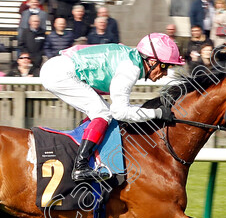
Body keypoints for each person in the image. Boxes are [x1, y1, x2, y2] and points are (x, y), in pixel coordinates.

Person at [41, 33, 184, 182]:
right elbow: (120, 112)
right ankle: (80, 166)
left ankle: (86, 154)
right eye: (164, 66)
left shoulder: (130, 59)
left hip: (59, 69)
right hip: (60, 73)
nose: (165, 72)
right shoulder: (130, 69)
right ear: (152, 61)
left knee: (103, 111)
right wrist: (157, 113)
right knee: (103, 113)